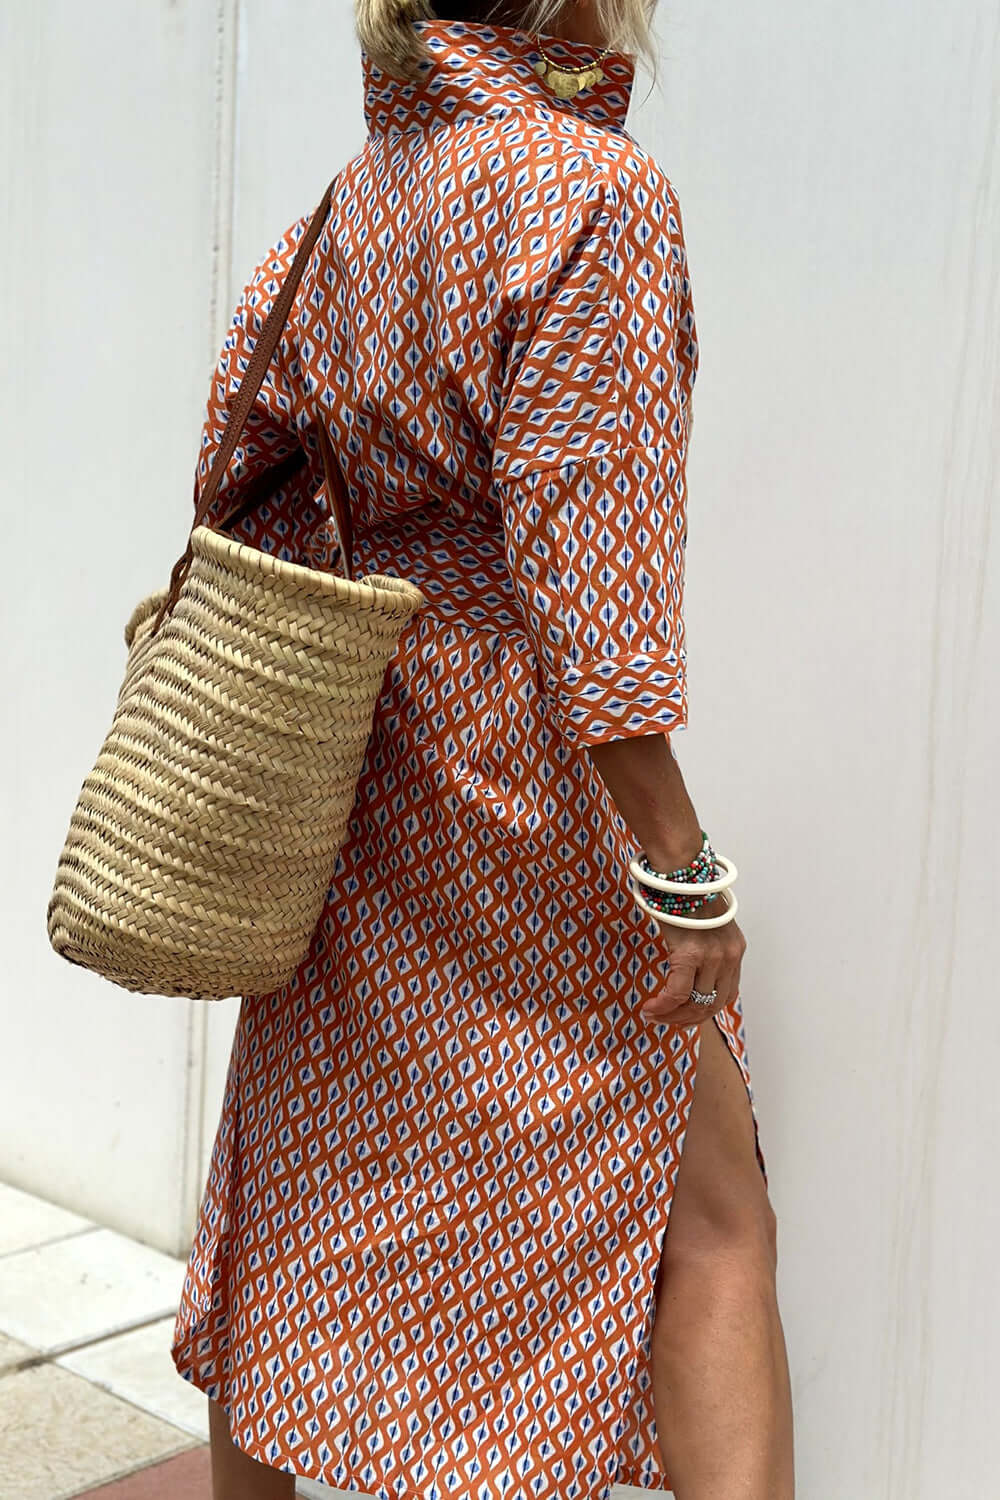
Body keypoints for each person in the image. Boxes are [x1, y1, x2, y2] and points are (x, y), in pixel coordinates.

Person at [169, 4, 794, 1498]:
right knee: (709, 1213)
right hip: (523, 764)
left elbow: (232, 470)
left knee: (310, 1178)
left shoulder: (356, 198)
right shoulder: (588, 188)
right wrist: (680, 860)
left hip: (360, 753)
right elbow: (592, 563)